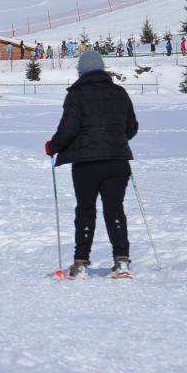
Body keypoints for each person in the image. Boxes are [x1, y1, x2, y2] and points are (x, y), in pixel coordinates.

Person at [47, 50, 139, 279]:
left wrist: (53, 146)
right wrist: (116, 138)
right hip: (117, 162)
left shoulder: (76, 95)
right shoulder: (120, 93)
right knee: (115, 208)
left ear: (80, 71)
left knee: (85, 210)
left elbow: (68, 129)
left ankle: (80, 262)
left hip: (86, 164)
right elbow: (132, 127)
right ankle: (122, 260)